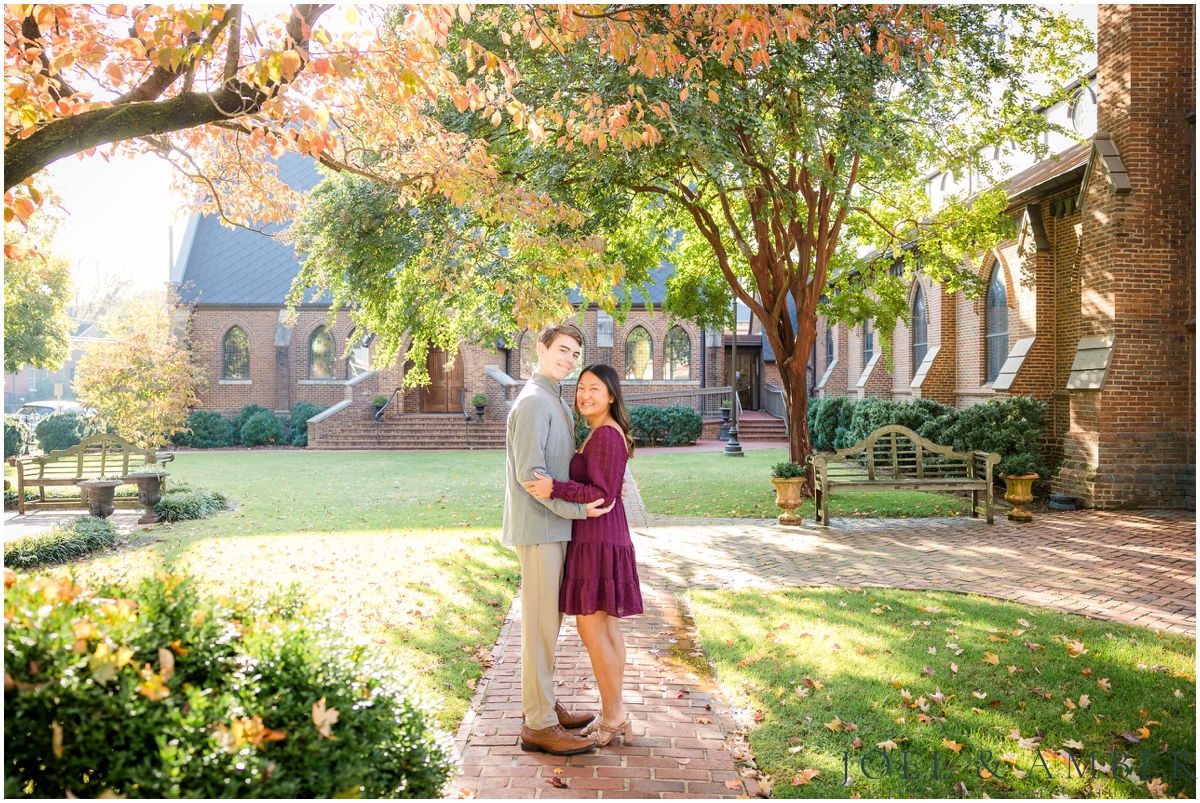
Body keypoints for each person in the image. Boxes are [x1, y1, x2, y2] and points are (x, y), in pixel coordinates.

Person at [502, 324, 613, 757]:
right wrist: (578, 509)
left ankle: (544, 706)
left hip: (555, 528)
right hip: (541, 528)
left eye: (574, 354)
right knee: (540, 627)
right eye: (562, 350)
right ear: (541, 350)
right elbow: (532, 477)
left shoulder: (552, 399)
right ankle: (539, 724)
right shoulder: (533, 403)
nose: (569, 359)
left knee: (550, 625)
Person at [523, 363, 642, 748]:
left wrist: (553, 487)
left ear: (611, 395)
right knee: (607, 630)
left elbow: (603, 495)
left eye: (594, 389)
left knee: (595, 631)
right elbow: (604, 486)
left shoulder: (606, 435)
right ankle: (615, 713)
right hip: (601, 536)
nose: (585, 395)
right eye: (581, 389)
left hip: (598, 540)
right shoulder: (598, 432)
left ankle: (613, 715)